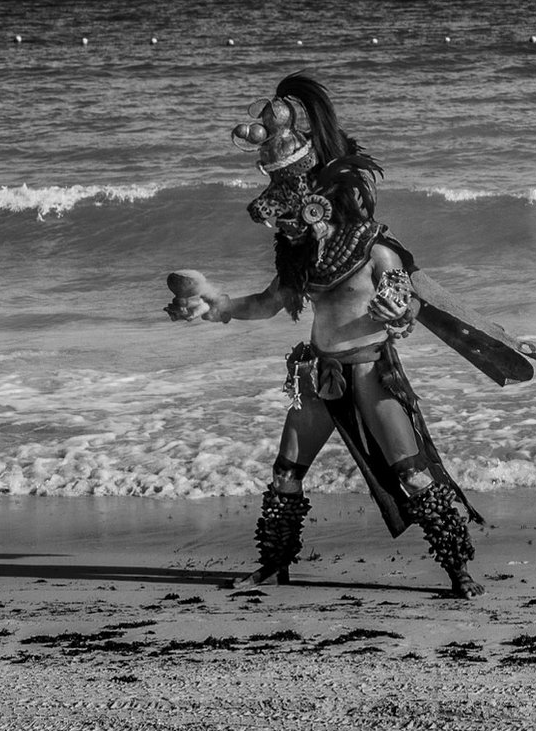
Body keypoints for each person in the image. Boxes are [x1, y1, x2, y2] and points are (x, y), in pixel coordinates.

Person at [168, 74, 486, 598]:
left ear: (316, 202)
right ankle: (274, 565)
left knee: (411, 473)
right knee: (286, 472)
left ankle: (458, 570)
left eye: (291, 212)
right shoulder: (298, 259)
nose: (284, 223)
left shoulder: (373, 248)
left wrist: (398, 311)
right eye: (281, 215)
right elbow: (268, 304)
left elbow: (406, 309)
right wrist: (215, 306)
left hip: (370, 371)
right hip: (316, 373)